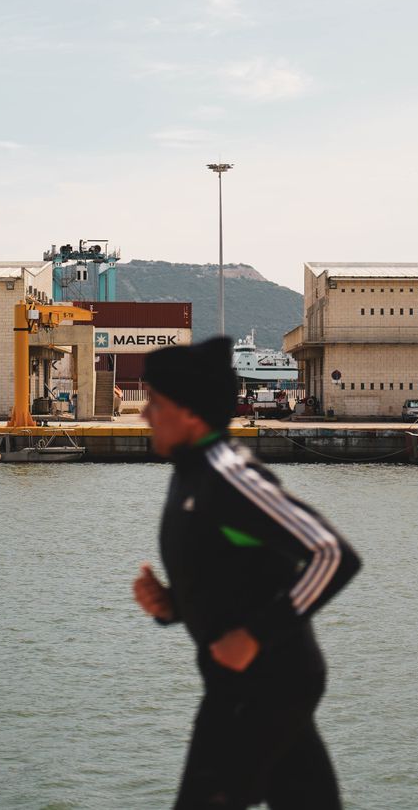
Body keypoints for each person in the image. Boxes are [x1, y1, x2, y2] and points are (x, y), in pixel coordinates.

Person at [131, 337, 362, 809]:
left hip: (265, 685)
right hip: (251, 682)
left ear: (190, 412)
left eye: (154, 401)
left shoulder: (230, 476)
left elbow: (332, 554)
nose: (143, 414)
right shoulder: (190, 473)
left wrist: (256, 635)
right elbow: (234, 577)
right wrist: (171, 606)